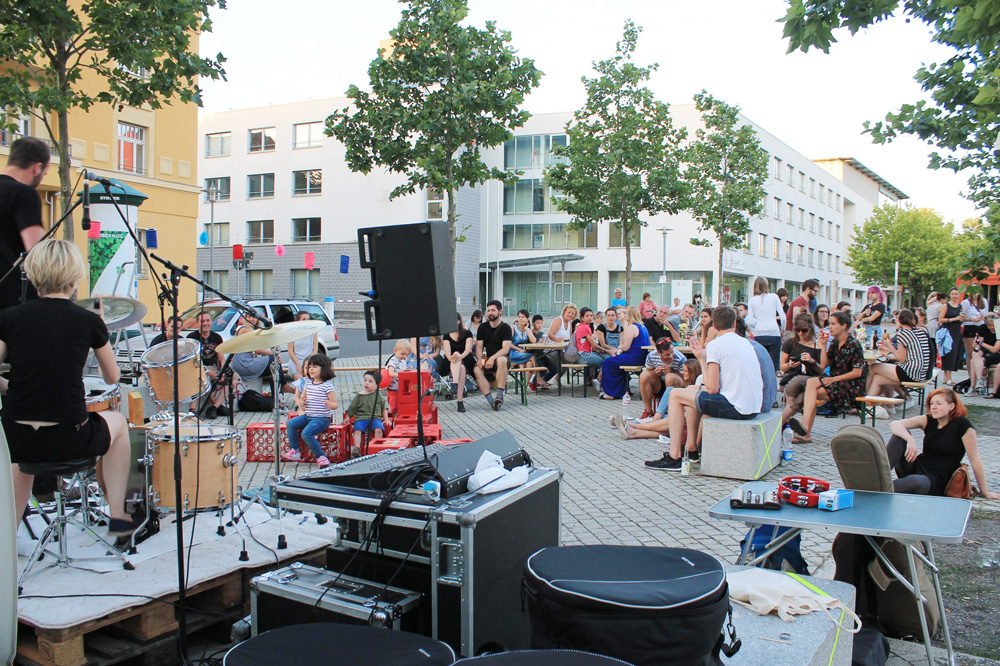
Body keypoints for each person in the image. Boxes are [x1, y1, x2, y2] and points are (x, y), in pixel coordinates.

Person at [0, 239, 133, 535]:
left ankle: (7, 539)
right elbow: (112, 378)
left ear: (34, 275)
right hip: (69, 438)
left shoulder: (9, 317)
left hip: (18, 438)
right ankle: (119, 517)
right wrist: (101, 330)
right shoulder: (88, 321)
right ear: (75, 278)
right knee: (119, 423)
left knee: (20, 459)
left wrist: (11, 387)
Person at [645, 307, 763, 471]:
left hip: (736, 407)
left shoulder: (716, 345)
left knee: (675, 394)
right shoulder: (745, 342)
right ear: (734, 323)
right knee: (692, 391)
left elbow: (712, 388)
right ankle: (691, 449)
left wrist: (701, 359)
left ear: (714, 325)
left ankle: (674, 456)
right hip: (753, 406)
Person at [886, 389, 1000, 498]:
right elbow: (895, 424)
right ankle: (880, 477)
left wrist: (985, 492)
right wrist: (910, 439)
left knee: (914, 481)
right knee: (899, 436)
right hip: (916, 467)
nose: (934, 407)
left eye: (939, 403)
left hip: (936, 479)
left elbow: (975, 460)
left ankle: (880, 487)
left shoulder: (962, 425)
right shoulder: (929, 419)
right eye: (931, 403)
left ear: (951, 406)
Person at [791, 311, 866, 444]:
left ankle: (806, 430)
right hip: (836, 383)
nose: (829, 327)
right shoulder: (835, 343)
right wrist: (823, 344)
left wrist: (833, 379)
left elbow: (857, 373)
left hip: (851, 386)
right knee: (811, 383)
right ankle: (805, 425)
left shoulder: (854, 344)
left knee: (811, 392)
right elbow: (824, 364)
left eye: (833, 324)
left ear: (843, 326)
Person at [0, 137, 49, 310]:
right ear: (37, 168)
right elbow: (36, 252)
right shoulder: (24, 194)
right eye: (44, 173)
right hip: (13, 301)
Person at [866, 309, 931, 417]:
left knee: (873, 367)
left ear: (899, 320)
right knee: (878, 378)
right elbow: (912, 353)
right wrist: (890, 353)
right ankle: (878, 406)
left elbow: (901, 359)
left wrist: (889, 345)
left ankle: (862, 396)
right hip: (921, 371)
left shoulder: (903, 334)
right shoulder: (920, 332)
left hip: (910, 372)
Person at [618, 359, 702, 439]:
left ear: (692, 372)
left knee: (672, 420)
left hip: (690, 420)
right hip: (683, 419)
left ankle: (634, 425)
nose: (682, 373)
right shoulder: (687, 384)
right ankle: (633, 431)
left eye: (685, 371)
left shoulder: (697, 386)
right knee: (668, 417)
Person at [282, 354, 337, 467]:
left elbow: (335, 404)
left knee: (306, 433)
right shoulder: (307, 384)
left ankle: (321, 457)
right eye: (310, 367)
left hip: (322, 419)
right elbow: (303, 400)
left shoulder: (327, 386)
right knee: (291, 423)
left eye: (315, 367)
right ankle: (295, 450)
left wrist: (330, 404)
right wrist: (302, 403)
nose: (311, 369)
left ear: (324, 369)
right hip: (308, 416)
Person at [780, 314, 825, 436]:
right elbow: (782, 367)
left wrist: (812, 361)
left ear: (810, 329)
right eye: (797, 330)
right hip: (792, 378)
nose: (801, 333)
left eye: (804, 330)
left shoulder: (817, 345)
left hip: (810, 379)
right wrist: (790, 365)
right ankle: (794, 426)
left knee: (799, 382)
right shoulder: (790, 343)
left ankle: (781, 424)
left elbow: (822, 370)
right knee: (801, 394)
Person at [599, 306, 651, 400]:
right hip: (642, 357)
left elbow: (626, 347)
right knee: (615, 363)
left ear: (630, 314)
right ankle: (621, 390)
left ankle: (611, 393)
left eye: (627, 313)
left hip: (633, 357)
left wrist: (618, 348)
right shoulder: (643, 327)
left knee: (607, 363)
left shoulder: (632, 327)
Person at [472, 299, 513, 411]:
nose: (490, 313)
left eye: (493, 310)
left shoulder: (506, 328)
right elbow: (479, 347)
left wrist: (493, 358)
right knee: (477, 369)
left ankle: (499, 395)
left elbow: (505, 349)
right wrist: (479, 360)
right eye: (489, 310)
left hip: (502, 357)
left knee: (501, 360)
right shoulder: (482, 327)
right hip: (487, 358)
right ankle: (492, 401)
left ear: (500, 311)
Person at [187, 311, 229, 419]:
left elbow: (221, 358)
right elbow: (191, 362)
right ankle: (193, 410)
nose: (206, 323)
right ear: (197, 323)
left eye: (208, 320)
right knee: (200, 380)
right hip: (198, 368)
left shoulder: (217, 337)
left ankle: (214, 407)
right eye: (202, 321)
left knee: (233, 378)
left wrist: (223, 371)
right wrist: (209, 373)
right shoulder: (191, 338)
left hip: (213, 366)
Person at [637, 337, 686, 419]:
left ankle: (668, 409)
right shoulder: (651, 356)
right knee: (644, 375)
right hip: (659, 384)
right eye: (667, 354)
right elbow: (649, 371)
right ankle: (648, 410)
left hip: (676, 386)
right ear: (659, 353)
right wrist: (655, 372)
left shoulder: (680, 358)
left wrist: (672, 372)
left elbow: (686, 378)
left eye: (672, 352)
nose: (671, 356)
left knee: (670, 377)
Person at [345, 369, 389, 457]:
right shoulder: (359, 396)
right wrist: (348, 416)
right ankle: (357, 448)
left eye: (370, 381)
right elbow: (352, 408)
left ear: (376, 385)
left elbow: (383, 408)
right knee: (357, 430)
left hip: (375, 418)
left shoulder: (378, 395)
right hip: (361, 418)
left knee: (379, 429)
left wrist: (386, 419)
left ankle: (377, 446)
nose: (366, 383)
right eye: (365, 380)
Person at [745, 277, 785, 371]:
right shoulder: (774, 297)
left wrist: (757, 326)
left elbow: (749, 321)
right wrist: (783, 329)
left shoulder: (752, 300)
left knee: (761, 362)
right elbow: (783, 317)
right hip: (774, 331)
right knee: (774, 362)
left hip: (759, 333)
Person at [443, 313, 476, 411]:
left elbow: (468, 349)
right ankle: (460, 401)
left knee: (458, 356)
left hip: (465, 358)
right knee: (461, 368)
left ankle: (454, 383)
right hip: (451, 361)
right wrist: (452, 358)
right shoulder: (446, 335)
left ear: (459, 321)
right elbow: (447, 351)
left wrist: (460, 357)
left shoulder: (467, 333)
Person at [575, 307, 608, 389]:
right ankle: (599, 381)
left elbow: (588, 345)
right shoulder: (585, 328)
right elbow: (594, 345)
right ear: (582, 318)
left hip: (584, 353)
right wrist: (607, 350)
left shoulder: (580, 326)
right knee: (606, 362)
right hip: (584, 355)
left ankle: (596, 379)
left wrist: (599, 350)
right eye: (587, 316)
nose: (590, 318)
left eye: (591, 316)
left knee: (606, 357)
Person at [961, 292, 989, 385]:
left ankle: (978, 375)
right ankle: (971, 376)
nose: (975, 294)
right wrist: (972, 319)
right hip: (970, 326)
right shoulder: (966, 302)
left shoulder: (984, 301)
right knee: (970, 352)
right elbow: (962, 317)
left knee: (979, 351)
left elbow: (986, 314)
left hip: (981, 326)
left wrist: (983, 317)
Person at [939, 287, 965, 385]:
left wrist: (962, 319)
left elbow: (962, 319)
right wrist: (954, 319)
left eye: (956, 294)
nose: (954, 296)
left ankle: (946, 377)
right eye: (953, 294)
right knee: (948, 352)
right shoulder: (946, 306)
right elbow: (941, 319)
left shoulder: (961, 307)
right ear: (950, 295)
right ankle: (948, 377)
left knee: (954, 353)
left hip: (956, 331)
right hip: (947, 331)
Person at [384, 339, 414, 414]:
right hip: (393, 389)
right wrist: (402, 375)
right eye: (402, 354)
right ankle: (394, 418)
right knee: (394, 407)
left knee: (401, 406)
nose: (404, 356)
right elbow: (391, 373)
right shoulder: (393, 360)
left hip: (400, 388)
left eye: (407, 355)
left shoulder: (403, 361)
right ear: (395, 350)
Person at [509, 308, 540, 381]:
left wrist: (527, 329)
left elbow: (534, 341)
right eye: (519, 317)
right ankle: (538, 377)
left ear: (527, 319)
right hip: (513, 352)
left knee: (530, 363)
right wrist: (519, 350)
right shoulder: (513, 328)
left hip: (523, 353)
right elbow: (508, 344)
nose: (520, 319)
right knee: (532, 356)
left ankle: (524, 386)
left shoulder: (527, 329)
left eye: (523, 317)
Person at [528, 314, 557, 389]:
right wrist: (537, 343)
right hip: (534, 355)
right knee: (542, 369)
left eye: (541, 323)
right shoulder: (530, 334)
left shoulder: (542, 334)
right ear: (533, 323)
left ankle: (542, 381)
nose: (540, 325)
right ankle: (535, 382)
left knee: (554, 369)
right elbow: (528, 347)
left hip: (542, 355)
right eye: (538, 323)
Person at [289, 310, 318, 381]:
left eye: (308, 319)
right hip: (296, 361)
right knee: (300, 380)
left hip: (309, 360)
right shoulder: (292, 333)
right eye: (303, 319)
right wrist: (298, 364)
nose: (306, 321)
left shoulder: (313, 332)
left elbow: (315, 350)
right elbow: (290, 351)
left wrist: (307, 364)